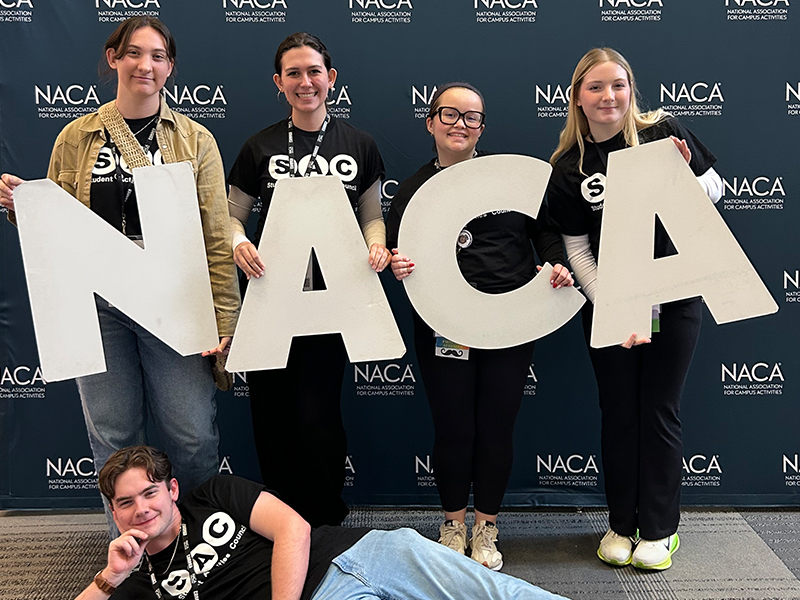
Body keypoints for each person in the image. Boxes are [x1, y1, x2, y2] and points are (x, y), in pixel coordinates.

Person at [0, 17, 240, 526]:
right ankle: (131, 552)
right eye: (133, 53)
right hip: (98, 302)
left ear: (170, 67)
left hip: (175, 299)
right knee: (112, 433)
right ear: (114, 58)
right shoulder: (76, 135)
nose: (144, 65)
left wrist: (225, 319)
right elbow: (59, 228)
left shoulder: (196, 140)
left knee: (191, 433)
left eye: (157, 56)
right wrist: (25, 209)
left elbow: (216, 236)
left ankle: (203, 543)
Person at [546, 48, 723, 570]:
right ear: (577, 96)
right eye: (596, 87)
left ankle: (661, 530)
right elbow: (576, 248)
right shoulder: (568, 167)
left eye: (618, 85)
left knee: (658, 411)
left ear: (631, 89)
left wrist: (687, 176)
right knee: (620, 415)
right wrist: (615, 308)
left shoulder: (663, 131)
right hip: (610, 306)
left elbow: (715, 192)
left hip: (675, 297)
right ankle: (621, 524)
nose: (609, 97)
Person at [386, 82, 574, 571]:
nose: (460, 125)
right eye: (449, 114)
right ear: (430, 122)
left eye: (472, 118)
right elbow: (392, 250)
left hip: (510, 322)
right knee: (453, 427)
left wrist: (554, 265)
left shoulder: (507, 179)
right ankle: (452, 523)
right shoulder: (412, 189)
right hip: (443, 322)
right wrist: (397, 263)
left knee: (496, 427)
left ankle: (486, 526)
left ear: (482, 128)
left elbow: (546, 232)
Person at [225, 32, 389, 529]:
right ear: (279, 83)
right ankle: (281, 521)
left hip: (330, 301)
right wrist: (237, 243)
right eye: (293, 73)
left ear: (330, 78)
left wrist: (376, 243)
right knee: (271, 415)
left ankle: (323, 517)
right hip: (272, 298)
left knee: (318, 416)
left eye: (314, 71)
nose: (305, 82)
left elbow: (372, 214)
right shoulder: (260, 146)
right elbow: (232, 217)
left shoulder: (359, 143)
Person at [78, 445, 570, 600]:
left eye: (149, 492)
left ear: (172, 490)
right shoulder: (140, 583)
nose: (142, 508)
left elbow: (294, 528)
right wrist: (110, 577)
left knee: (496, 594)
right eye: (126, 503)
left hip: (362, 552)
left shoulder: (214, 494)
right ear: (114, 512)